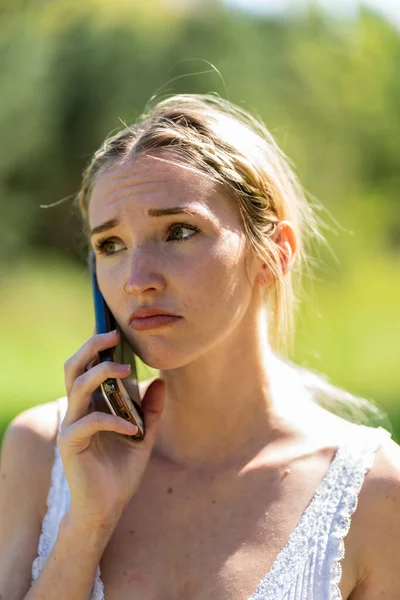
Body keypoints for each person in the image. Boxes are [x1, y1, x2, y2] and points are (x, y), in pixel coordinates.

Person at [1, 93, 399, 600]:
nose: (137, 280)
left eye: (179, 231)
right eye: (111, 245)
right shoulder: (45, 453)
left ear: (274, 254)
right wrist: (87, 526)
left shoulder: (375, 493)